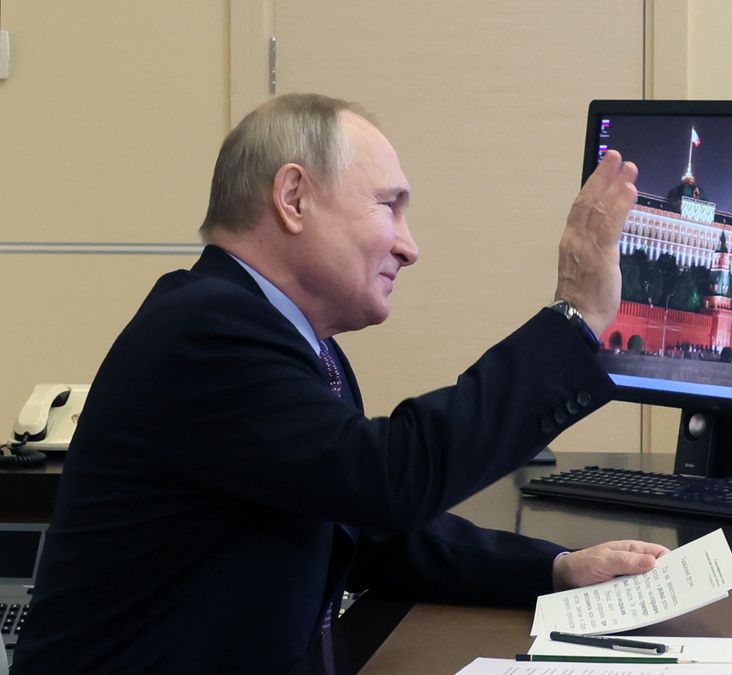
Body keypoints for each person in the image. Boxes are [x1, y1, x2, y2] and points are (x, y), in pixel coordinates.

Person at [12, 94, 666, 674]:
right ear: (293, 198)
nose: (409, 247)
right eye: (390, 207)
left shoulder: (294, 339)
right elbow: (388, 481)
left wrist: (555, 569)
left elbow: (360, 525)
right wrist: (573, 319)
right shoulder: (206, 329)